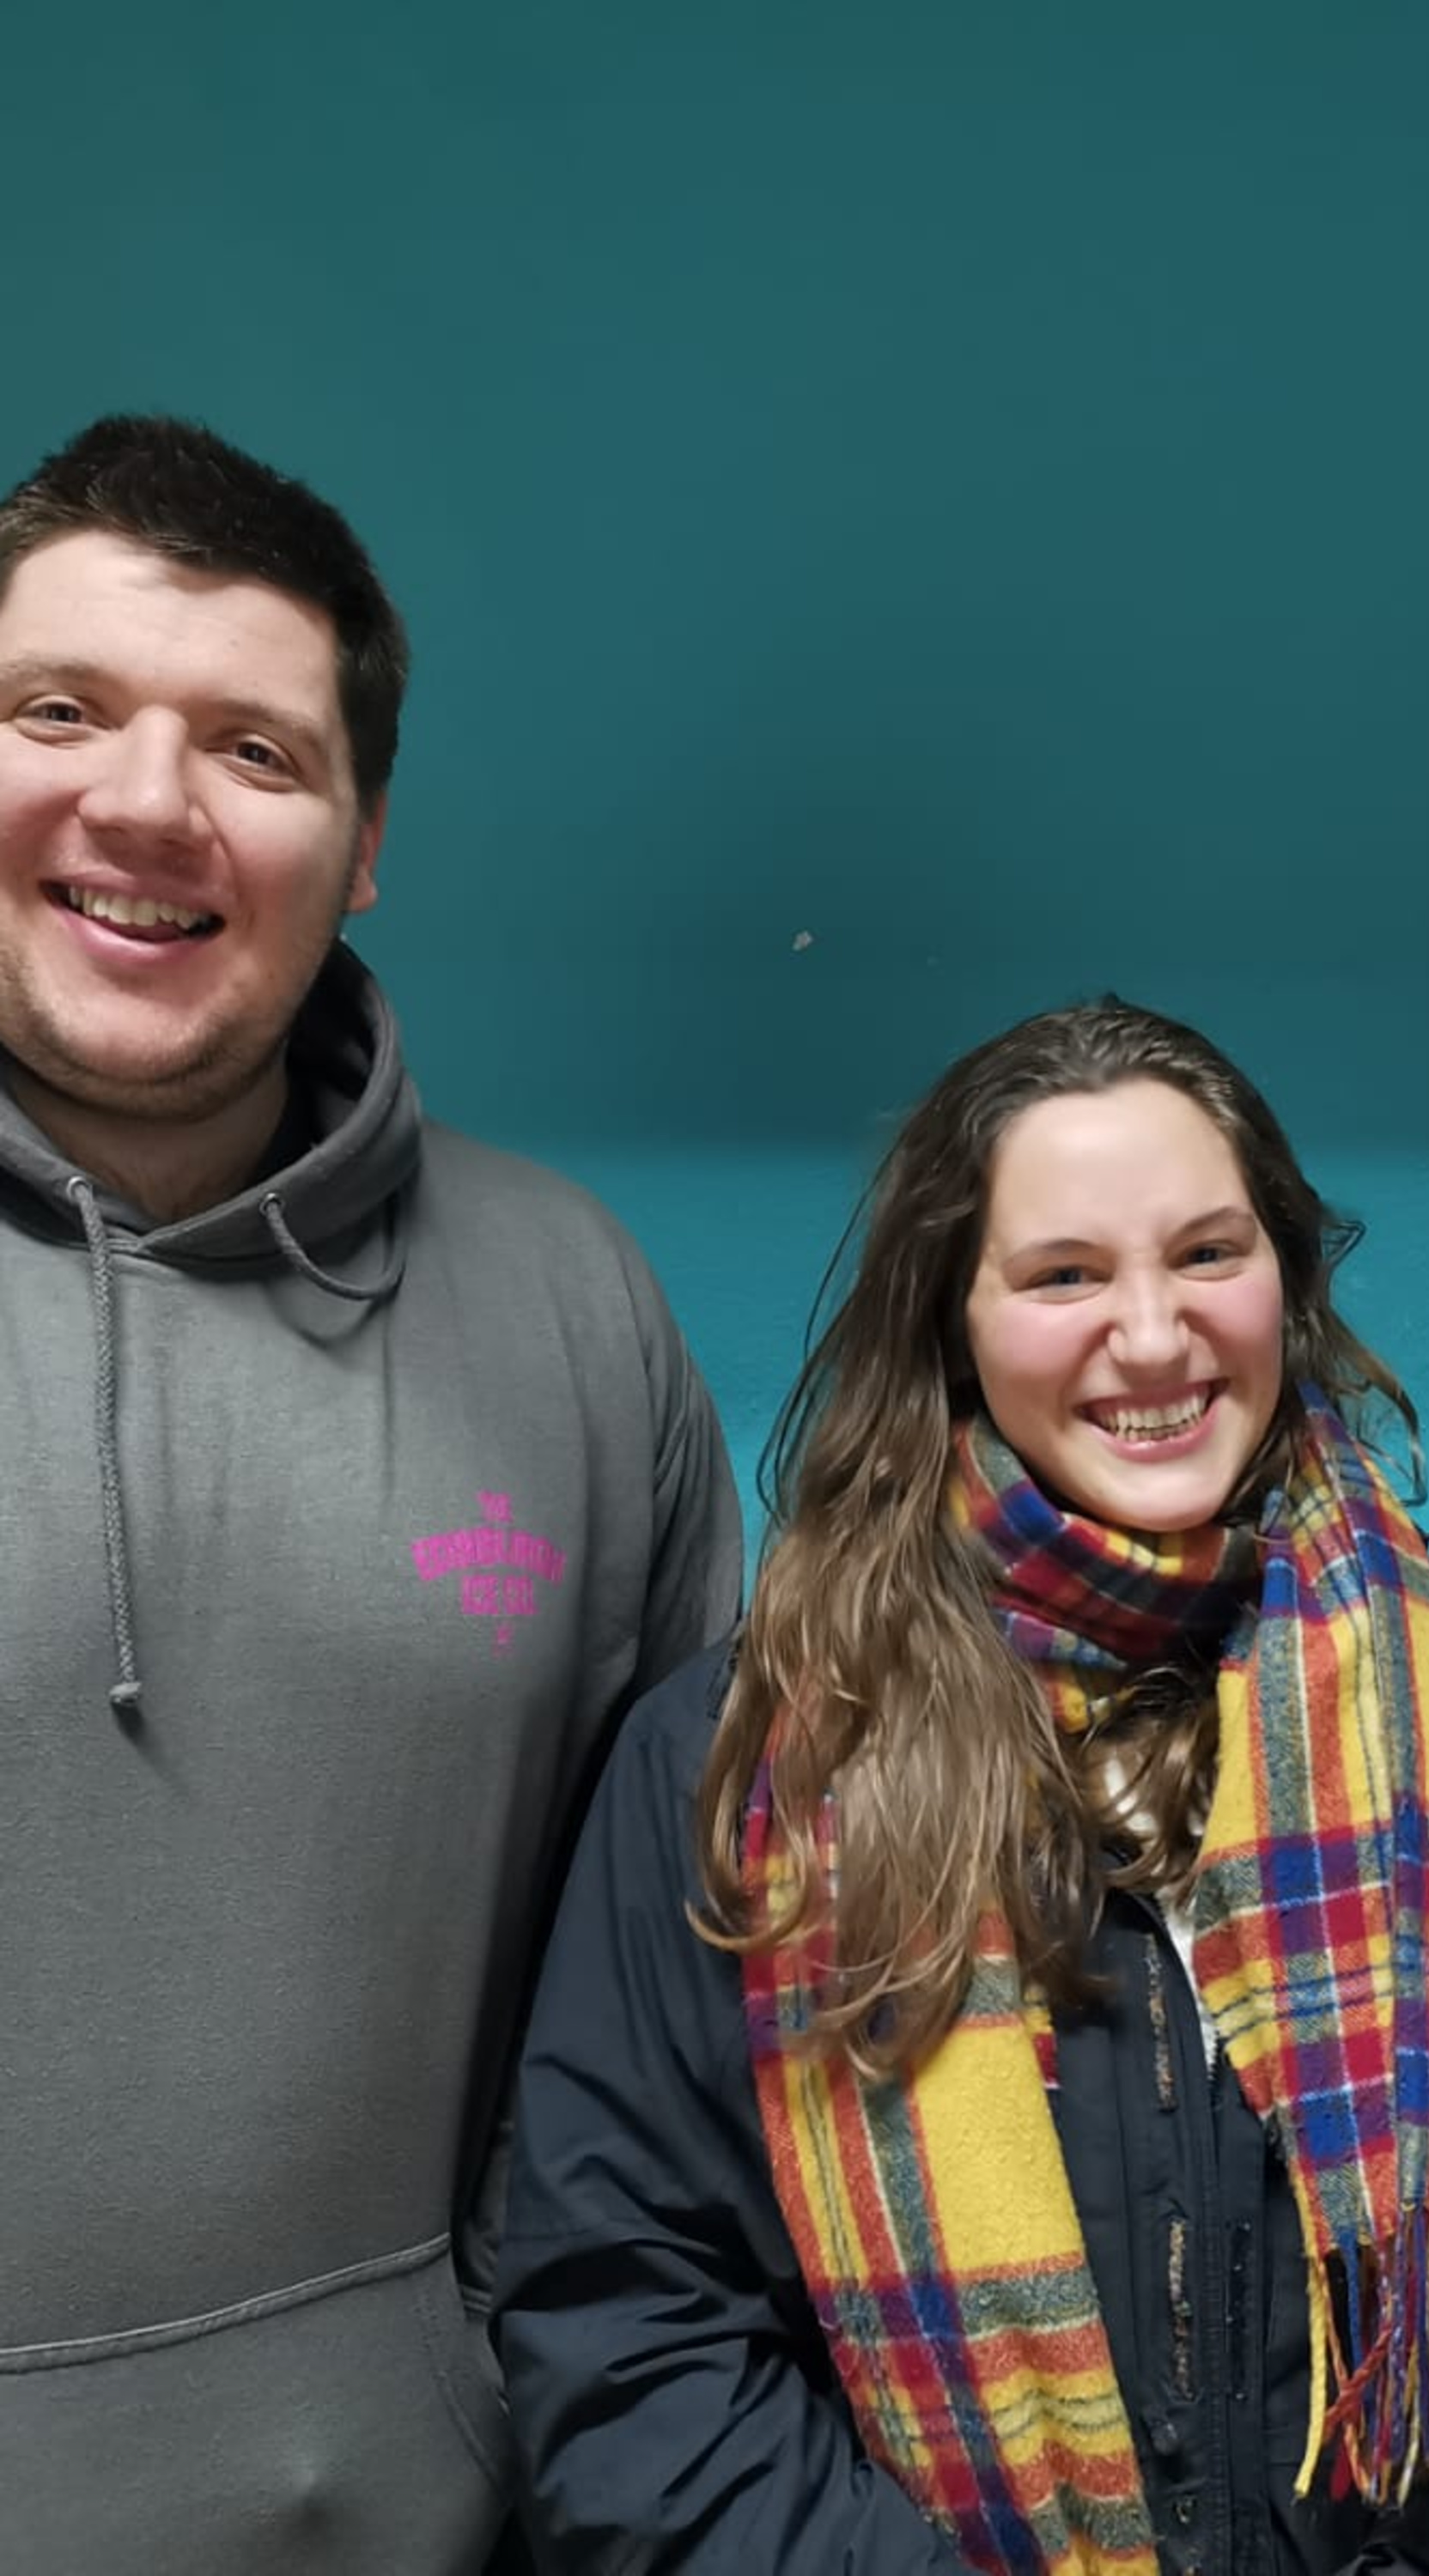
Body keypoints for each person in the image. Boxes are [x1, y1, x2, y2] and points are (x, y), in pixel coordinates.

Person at [495, 996, 1429, 2573]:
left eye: (1207, 1254)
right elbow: (630, 2314)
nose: (1157, 1335)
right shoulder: (738, 1759)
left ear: (1285, 1278)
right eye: (1064, 1275)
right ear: (954, 1322)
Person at [0, 416, 741, 2573]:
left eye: (255, 748)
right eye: (60, 711)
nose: (151, 803)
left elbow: (691, 1981)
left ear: (364, 840)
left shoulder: (573, 1305)